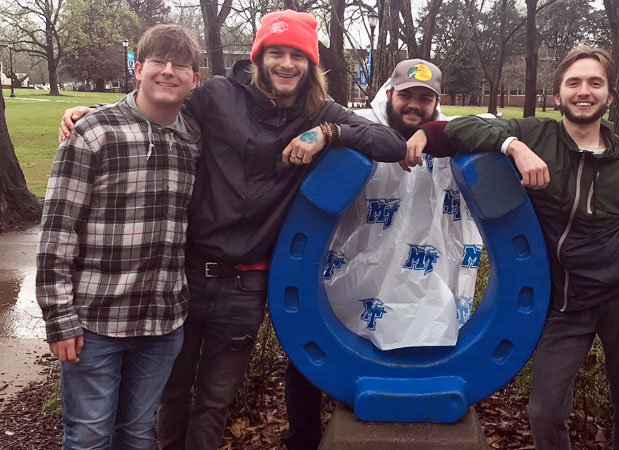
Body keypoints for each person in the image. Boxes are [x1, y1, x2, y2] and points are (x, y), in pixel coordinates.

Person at [59, 10, 406, 450]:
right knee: (171, 394)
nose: (286, 64)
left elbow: (392, 145)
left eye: (298, 55)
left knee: (214, 402)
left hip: (246, 283)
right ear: (259, 58)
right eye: (276, 52)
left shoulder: (317, 110)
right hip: (182, 277)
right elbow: (157, 104)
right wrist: (90, 113)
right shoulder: (218, 95)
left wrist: (327, 132)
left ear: (310, 64)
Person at [407, 46, 619, 450]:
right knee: (544, 412)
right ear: (558, 95)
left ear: (609, 96)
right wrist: (513, 146)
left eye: (595, 83)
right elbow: (463, 129)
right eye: (574, 83)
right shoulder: (535, 135)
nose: (584, 91)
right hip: (565, 303)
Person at [285, 58, 484, 448]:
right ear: (389, 94)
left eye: (424, 99)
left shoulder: (451, 136)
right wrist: (326, 133)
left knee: (418, 343)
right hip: (350, 275)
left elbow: (492, 126)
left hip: (422, 283)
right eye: (406, 95)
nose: (414, 105)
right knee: (305, 350)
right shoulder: (358, 124)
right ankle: (301, 438)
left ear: (436, 102)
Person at [38, 24, 202, 450]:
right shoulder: (94, 133)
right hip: (95, 322)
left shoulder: (192, 142)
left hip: (162, 322)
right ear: (139, 70)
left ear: (194, 79)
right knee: (89, 437)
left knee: (136, 434)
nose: (168, 71)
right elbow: (57, 231)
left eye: (180, 65)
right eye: (158, 62)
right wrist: (59, 317)